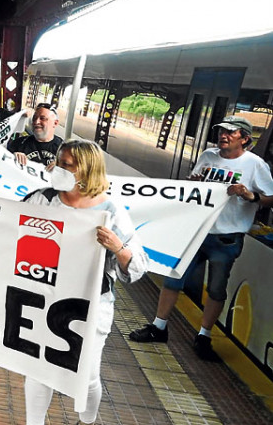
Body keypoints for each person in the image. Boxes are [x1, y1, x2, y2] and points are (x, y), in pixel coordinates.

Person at [19, 139, 148, 425]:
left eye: (67, 165)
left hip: (90, 306)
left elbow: (137, 267)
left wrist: (118, 247)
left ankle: (86, 421)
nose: (57, 168)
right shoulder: (41, 199)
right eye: (59, 161)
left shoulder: (111, 212)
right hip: (42, 299)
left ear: (86, 171)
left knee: (87, 374)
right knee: (38, 370)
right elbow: (5, 224)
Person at [130, 116, 273, 360]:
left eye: (230, 132)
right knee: (173, 278)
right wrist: (192, 184)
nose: (223, 135)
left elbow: (270, 197)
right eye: (221, 131)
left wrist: (250, 196)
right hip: (196, 231)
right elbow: (193, 187)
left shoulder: (255, 165)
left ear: (245, 139)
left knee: (217, 289)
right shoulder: (208, 156)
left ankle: (204, 336)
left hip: (226, 239)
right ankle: (158, 327)